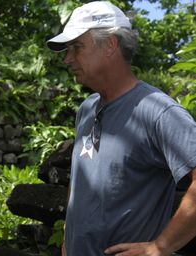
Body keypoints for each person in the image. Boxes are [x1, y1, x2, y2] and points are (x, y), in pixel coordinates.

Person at [46, 1, 196, 256]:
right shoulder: (87, 109)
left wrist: (160, 247)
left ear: (110, 45)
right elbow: (81, 177)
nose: (67, 59)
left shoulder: (158, 112)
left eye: (76, 47)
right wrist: (68, 239)